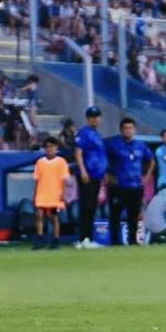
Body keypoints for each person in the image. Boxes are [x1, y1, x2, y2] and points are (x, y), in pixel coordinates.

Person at [104, 117, 153, 246]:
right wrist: (107, 175)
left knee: (134, 215)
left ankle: (133, 240)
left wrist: (146, 176)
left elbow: (151, 160)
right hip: (118, 185)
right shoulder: (113, 145)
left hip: (136, 185)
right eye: (125, 128)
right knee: (115, 214)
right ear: (121, 130)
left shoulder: (141, 146)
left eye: (130, 128)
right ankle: (114, 241)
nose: (128, 130)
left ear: (135, 130)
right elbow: (103, 160)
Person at [73, 106, 107, 249]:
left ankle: (86, 238)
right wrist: (83, 171)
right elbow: (78, 152)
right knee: (87, 206)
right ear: (88, 119)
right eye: (92, 117)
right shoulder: (85, 132)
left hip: (96, 175)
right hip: (88, 175)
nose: (95, 119)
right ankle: (84, 238)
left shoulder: (96, 134)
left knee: (91, 206)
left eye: (97, 116)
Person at [33, 136, 70, 249]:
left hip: (54, 194)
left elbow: (64, 179)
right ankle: (40, 240)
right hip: (42, 193)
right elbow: (37, 179)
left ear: (56, 148)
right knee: (39, 216)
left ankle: (55, 240)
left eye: (52, 146)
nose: (49, 149)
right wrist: (35, 194)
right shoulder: (40, 162)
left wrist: (63, 193)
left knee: (54, 217)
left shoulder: (61, 162)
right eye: (47, 147)